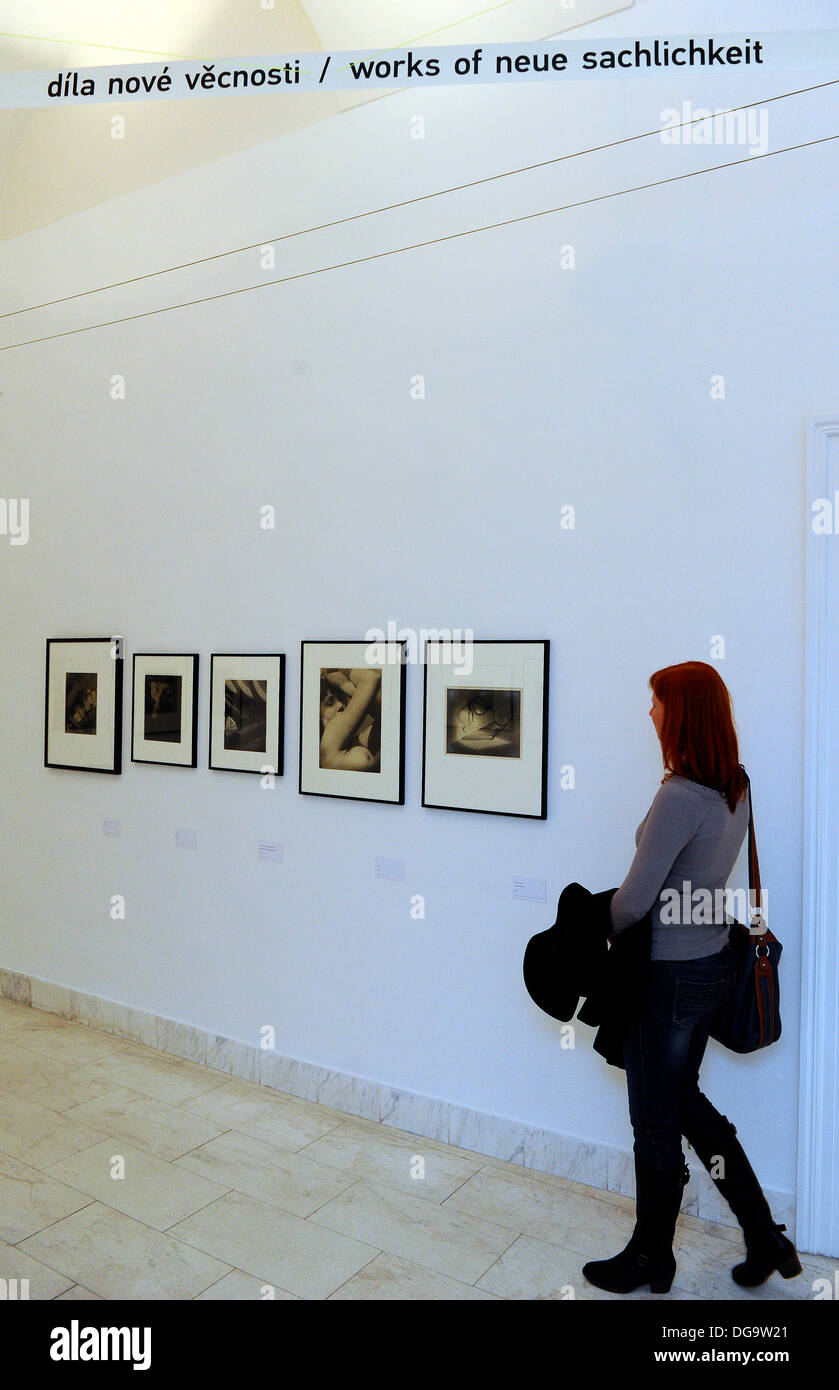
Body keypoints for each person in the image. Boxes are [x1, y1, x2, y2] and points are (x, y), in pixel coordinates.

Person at [582, 661, 801, 1295]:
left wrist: (590, 913)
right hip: (711, 967)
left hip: (668, 981)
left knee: (656, 1122)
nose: (648, 714)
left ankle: (651, 1257)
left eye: (655, 703)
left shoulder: (679, 795)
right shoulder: (736, 785)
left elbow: (631, 904)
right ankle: (764, 1236)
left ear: (679, 713)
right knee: (687, 1107)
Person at [319, 667, 382, 771]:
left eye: (341, 699)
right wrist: (343, 682)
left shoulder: (353, 743)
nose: (341, 705)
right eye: (330, 703)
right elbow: (371, 678)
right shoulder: (328, 746)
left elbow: (390, 721)